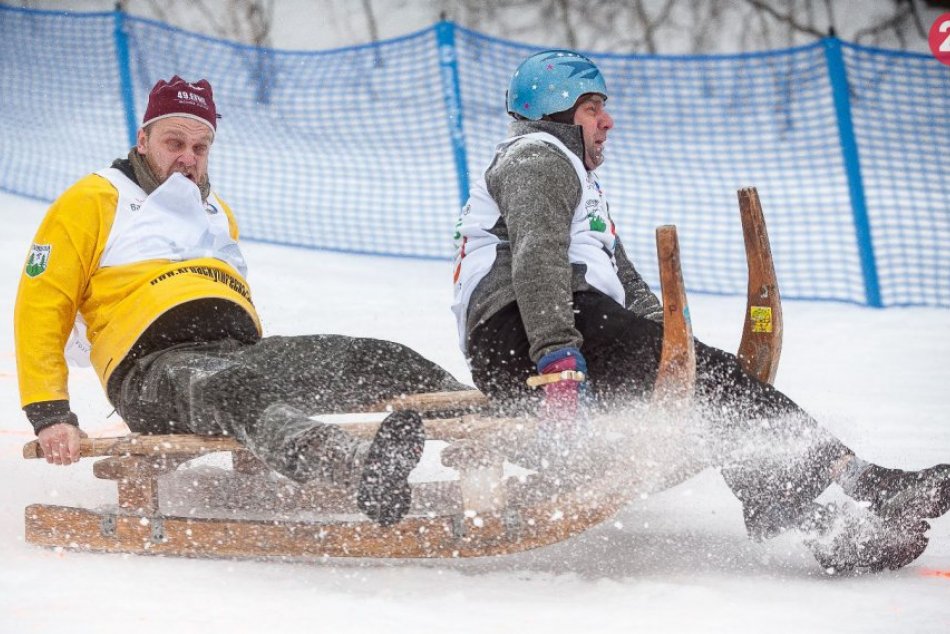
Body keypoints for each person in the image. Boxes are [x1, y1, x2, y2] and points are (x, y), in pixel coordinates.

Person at [451, 50, 950, 572]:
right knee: (709, 383)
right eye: (591, 108)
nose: (607, 121)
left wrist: (673, 346)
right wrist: (558, 361)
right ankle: (854, 484)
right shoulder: (536, 159)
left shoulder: (573, 175)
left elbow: (623, 280)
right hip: (519, 334)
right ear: (555, 113)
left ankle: (817, 514)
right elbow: (537, 259)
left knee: (707, 385)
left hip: (562, 323)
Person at [15, 76, 467, 527]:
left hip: (236, 356)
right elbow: (42, 303)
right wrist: (50, 413)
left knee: (373, 357)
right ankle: (358, 466)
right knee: (232, 387)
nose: (188, 158)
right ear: (143, 139)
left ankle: (493, 420)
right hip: (151, 373)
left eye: (200, 147)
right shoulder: (95, 198)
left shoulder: (216, 211)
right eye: (174, 143)